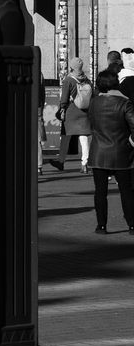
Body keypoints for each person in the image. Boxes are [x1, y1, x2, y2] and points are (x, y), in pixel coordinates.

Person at [86, 69, 134, 233]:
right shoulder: (125, 103)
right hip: (122, 152)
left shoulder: (93, 103)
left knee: (100, 191)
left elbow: (91, 123)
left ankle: (101, 225)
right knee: (126, 191)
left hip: (99, 152)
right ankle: (132, 224)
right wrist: (131, 140)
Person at [55, 58, 93, 173]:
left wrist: (62, 107)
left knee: (66, 137)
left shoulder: (69, 80)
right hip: (84, 111)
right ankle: (85, 163)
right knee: (84, 138)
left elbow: (64, 99)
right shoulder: (86, 80)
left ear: (71, 67)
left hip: (71, 111)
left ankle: (61, 161)